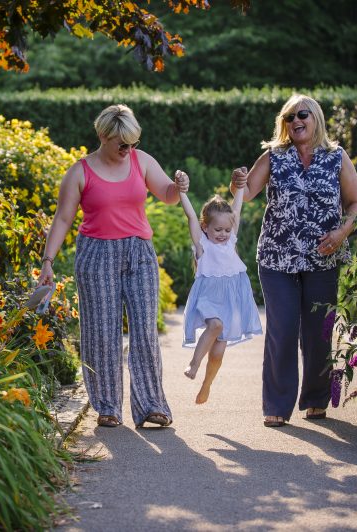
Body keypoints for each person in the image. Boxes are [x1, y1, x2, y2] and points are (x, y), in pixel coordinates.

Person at [37, 104, 189, 428]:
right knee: (101, 332)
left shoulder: (141, 160)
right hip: (96, 255)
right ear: (103, 136)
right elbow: (63, 218)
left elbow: (167, 193)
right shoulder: (79, 172)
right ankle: (108, 406)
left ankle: (151, 405)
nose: (128, 150)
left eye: (133, 143)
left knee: (145, 330)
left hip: (139, 252)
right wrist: (47, 261)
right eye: (123, 144)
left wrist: (179, 186)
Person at [230, 94, 357, 428]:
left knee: (319, 332)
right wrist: (236, 184)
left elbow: (356, 203)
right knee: (283, 329)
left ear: (315, 117)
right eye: (289, 117)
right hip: (277, 259)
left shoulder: (336, 157)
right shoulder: (274, 157)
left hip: (323, 258)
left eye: (302, 114)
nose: (296, 121)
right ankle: (277, 404)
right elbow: (245, 194)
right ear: (284, 124)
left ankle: (316, 399)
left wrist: (342, 234)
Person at [179, 185, 263, 404]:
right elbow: (190, 215)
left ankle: (207, 384)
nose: (223, 234)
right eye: (218, 230)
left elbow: (237, 208)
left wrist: (242, 187)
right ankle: (194, 363)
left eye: (227, 230)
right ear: (205, 227)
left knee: (217, 354)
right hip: (208, 297)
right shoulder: (202, 245)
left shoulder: (230, 239)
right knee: (215, 325)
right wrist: (181, 191)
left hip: (230, 300)